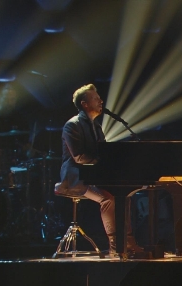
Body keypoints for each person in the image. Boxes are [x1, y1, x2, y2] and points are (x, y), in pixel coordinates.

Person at [55, 84, 141, 257]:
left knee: (124, 196)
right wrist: (104, 162)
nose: (101, 101)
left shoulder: (96, 127)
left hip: (93, 176)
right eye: (95, 98)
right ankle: (116, 246)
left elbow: (103, 153)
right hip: (75, 177)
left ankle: (129, 243)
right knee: (107, 199)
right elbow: (79, 157)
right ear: (84, 104)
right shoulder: (72, 125)